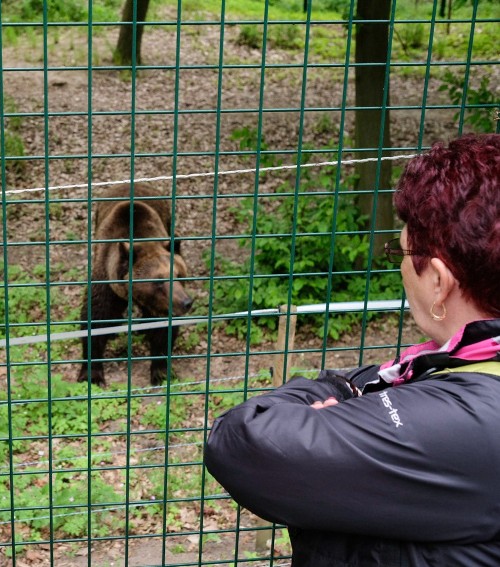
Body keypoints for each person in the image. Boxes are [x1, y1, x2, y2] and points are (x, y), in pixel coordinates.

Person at [204, 133, 500, 566]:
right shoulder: (460, 363)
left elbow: (243, 441)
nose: (401, 266)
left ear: (438, 281)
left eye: (400, 251)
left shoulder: (471, 419)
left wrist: (340, 395)